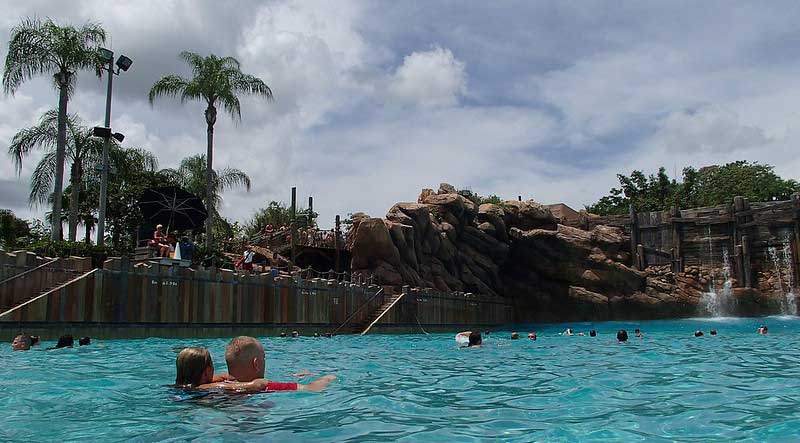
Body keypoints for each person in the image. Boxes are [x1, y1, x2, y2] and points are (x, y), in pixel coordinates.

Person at [216, 336, 335, 392]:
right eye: (264, 357)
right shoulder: (267, 387)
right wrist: (327, 378)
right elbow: (312, 389)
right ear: (256, 364)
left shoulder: (216, 385)